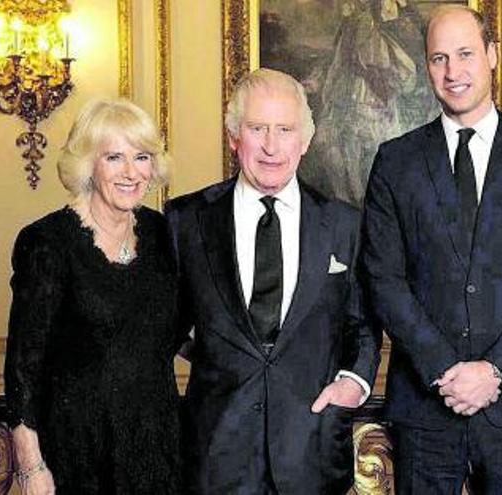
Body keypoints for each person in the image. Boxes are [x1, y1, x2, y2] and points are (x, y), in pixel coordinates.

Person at [360, 6, 502, 493]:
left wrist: (496, 371)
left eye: (465, 54)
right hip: (425, 406)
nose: (453, 71)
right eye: (439, 58)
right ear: (427, 67)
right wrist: (444, 370)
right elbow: (384, 280)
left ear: (492, 56)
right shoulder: (396, 162)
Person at [166, 68, 381, 495]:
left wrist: (352, 385)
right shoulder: (185, 220)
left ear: (304, 141)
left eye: (284, 129)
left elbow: (363, 324)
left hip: (312, 449)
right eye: (257, 128)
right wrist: (215, 360)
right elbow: (161, 327)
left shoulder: (343, 224)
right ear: (233, 137)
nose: (270, 145)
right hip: (214, 455)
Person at [4, 99, 181, 494]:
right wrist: (31, 468)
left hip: (156, 450)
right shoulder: (47, 243)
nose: (131, 172)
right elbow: (22, 368)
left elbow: (175, 331)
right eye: (114, 157)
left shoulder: (162, 235)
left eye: (142, 157)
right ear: (87, 164)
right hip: (76, 452)